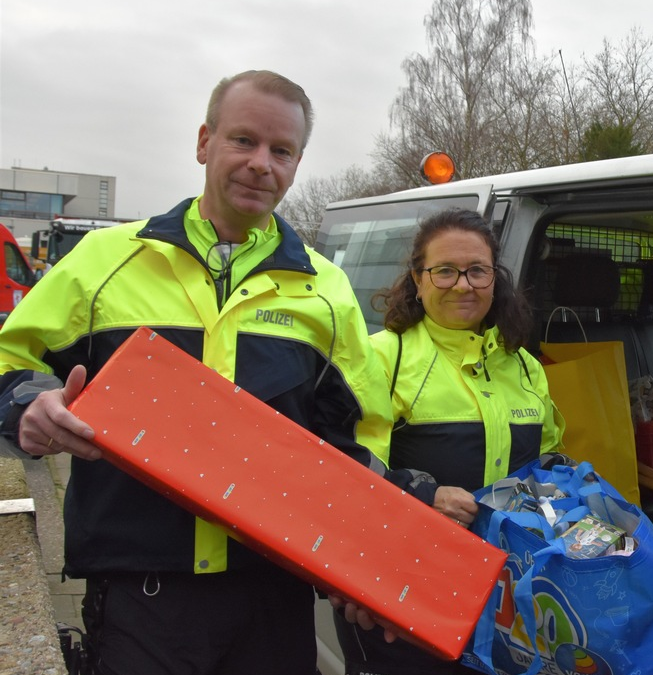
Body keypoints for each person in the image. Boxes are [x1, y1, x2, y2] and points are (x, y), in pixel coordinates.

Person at [0, 70, 391, 674]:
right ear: (205, 142)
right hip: (142, 598)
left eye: (281, 150)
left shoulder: (327, 290)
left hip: (274, 600)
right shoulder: (107, 260)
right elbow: (10, 358)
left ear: (297, 164)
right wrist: (30, 403)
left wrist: (359, 556)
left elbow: (359, 435)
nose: (262, 163)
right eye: (244, 141)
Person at [334, 207, 565, 675]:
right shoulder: (381, 358)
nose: (463, 285)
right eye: (444, 271)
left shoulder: (524, 365)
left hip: (504, 596)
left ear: (494, 279)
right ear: (417, 280)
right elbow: (343, 477)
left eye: (477, 271)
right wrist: (418, 496)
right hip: (399, 598)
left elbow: (545, 464)